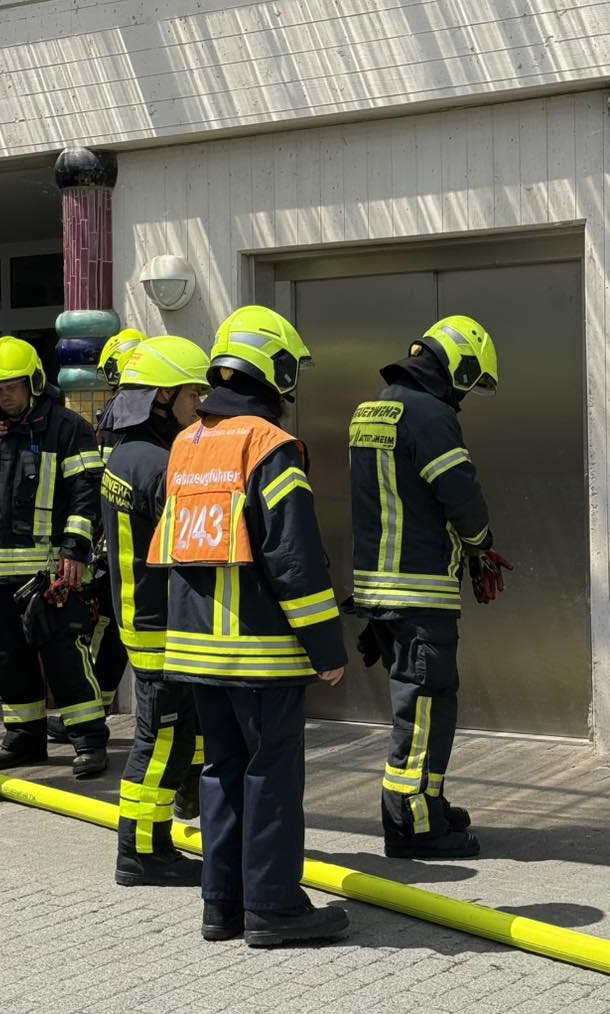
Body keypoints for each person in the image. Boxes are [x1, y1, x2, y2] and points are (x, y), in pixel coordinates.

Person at [149, 306, 350, 947]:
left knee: (221, 771)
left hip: (196, 651)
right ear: (275, 370)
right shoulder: (269, 445)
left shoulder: (186, 444)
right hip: (261, 652)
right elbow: (294, 557)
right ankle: (274, 908)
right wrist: (326, 646)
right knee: (271, 775)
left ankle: (223, 904)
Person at [347, 315, 511, 859]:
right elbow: (459, 493)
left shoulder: (374, 408)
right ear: (457, 367)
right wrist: (481, 544)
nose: (465, 396)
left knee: (416, 708)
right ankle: (414, 826)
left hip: (380, 588)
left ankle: (426, 802)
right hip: (420, 592)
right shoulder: (431, 414)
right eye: (470, 382)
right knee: (426, 711)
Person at [0, 336, 108, 777]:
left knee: (65, 657)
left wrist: (75, 549)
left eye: (12, 387)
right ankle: (24, 739)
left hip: (48, 573)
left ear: (34, 382)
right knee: (8, 660)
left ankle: (89, 740)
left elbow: (86, 492)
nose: (5, 397)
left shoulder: (67, 428)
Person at [101, 335, 210, 887]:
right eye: (194, 393)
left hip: (143, 620)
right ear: (163, 397)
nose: (201, 404)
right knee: (161, 739)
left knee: (170, 734)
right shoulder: (156, 464)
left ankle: (154, 839)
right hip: (160, 624)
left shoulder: (127, 454)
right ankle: (142, 852)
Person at [46, 328, 145, 745]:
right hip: (131, 542)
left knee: (106, 630)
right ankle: (95, 709)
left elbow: (102, 485)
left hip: (120, 544)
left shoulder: (118, 417)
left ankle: (92, 710)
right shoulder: (150, 415)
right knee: (115, 631)